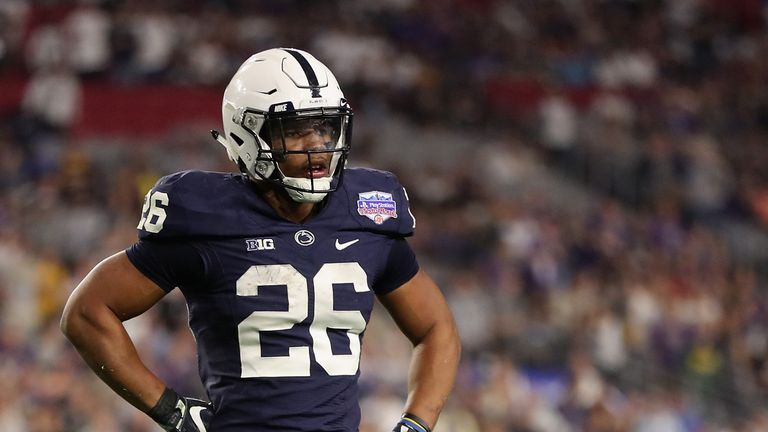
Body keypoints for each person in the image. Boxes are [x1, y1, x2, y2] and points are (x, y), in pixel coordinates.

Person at [60, 47, 461, 432]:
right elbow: (87, 312)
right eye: (296, 131)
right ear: (248, 135)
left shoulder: (368, 212)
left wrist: (416, 423)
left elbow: (436, 327)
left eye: (324, 127)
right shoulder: (206, 217)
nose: (318, 146)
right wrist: (170, 409)